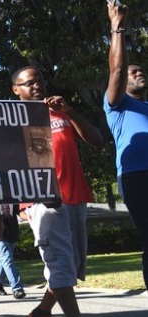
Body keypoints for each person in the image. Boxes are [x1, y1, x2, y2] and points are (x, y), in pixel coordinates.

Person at [11, 66, 103, 317]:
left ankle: (42, 311)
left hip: (74, 196)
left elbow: (96, 140)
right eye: (29, 83)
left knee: (70, 265)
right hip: (44, 202)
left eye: (39, 80)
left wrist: (70, 111)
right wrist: (21, 204)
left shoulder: (58, 111)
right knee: (60, 265)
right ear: (16, 89)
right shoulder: (11, 118)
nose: (36, 85)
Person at [104, 2, 148, 291]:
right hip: (137, 176)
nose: (138, 72)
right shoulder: (117, 104)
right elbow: (118, 69)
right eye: (133, 71)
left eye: (141, 69)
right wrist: (117, 25)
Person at [0, 204, 26, 299]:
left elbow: (18, 212)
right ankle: (17, 288)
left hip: (11, 231)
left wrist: (29, 217)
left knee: (5, 259)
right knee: (7, 257)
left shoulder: (11, 194)